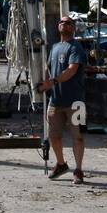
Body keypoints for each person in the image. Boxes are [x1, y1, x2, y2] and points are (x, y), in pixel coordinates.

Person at [37, 15, 88, 184]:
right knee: (53, 135)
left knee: (78, 135)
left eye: (68, 23)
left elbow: (72, 69)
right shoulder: (54, 47)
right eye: (61, 22)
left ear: (73, 28)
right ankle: (61, 164)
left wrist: (54, 81)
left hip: (75, 101)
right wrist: (45, 84)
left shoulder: (76, 48)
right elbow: (48, 68)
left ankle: (79, 169)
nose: (64, 24)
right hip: (55, 101)